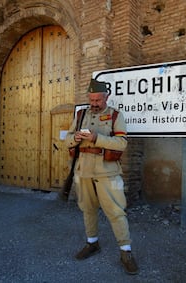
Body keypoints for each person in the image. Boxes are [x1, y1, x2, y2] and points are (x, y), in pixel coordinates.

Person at [65, 78, 139, 275]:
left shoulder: (116, 116)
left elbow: (121, 143)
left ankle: (126, 252)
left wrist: (96, 138)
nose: (95, 103)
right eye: (92, 99)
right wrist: (76, 138)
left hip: (108, 172)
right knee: (87, 209)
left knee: (116, 212)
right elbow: (66, 140)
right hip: (83, 170)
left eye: (98, 100)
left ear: (107, 97)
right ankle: (92, 243)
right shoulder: (81, 115)